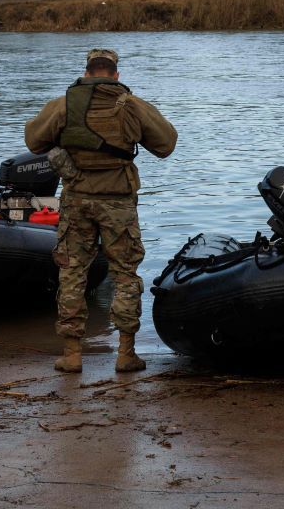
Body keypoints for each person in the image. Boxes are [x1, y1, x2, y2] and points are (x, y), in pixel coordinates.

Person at [25, 49, 177, 374]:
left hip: (77, 199)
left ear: (87, 72)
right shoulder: (130, 105)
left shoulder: (64, 103)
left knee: (72, 272)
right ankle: (125, 354)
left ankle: (71, 353)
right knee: (125, 275)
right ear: (116, 75)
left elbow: (34, 141)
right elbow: (166, 145)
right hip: (118, 203)